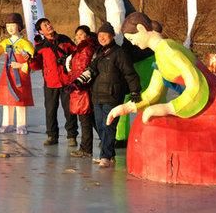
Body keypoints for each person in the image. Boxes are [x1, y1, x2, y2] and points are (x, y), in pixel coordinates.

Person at [106, 12, 216, 185]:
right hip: (207, 104)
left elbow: (197, 84)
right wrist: (127, 108)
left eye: (132, 38)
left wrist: (169, 108)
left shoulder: (168, 49)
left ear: (140, 28)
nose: (133, 43)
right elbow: (153, 92)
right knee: (146, 124)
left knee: (156, 131)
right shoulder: (160, 54)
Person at [67, 0, 154, 147]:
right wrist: (83, 50)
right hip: (119, 51)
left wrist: (108, 52)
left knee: (145, 94)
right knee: (119, 94)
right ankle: (119, 137)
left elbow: (117, 27)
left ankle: (148, 133)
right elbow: (87, 28)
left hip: (139, 51)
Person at [73, 22, 141, 168]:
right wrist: (78, 82)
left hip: (113, 95)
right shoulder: (98, 53)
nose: (102, 37)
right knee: (100, 126)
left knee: (108, 126)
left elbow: (130, 73)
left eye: (105, 34)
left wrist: (135, 90)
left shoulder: (119, 53)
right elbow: (90, 70)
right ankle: (109, 154)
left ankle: (105, 156)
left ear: (112, 36)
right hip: (97, 95)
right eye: (100, 35)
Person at [0, 13, 34, 135]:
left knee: (20, 100)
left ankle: (21, 124)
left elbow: (34, 62)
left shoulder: (26, 43)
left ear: (19, 26)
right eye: (8, 25)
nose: (10, 28)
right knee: (7, 100)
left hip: (21, 76)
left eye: (12, 25)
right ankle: (7, 123)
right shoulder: (4, 43)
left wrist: (21, 65)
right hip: (7, 76)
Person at [29, 18, 78, 146]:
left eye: (48, 23)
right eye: (45, 25)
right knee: (50, 110)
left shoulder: (64, 40)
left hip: (67, 81)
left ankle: (72, 136)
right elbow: (37, 65)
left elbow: (77, 55)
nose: (49, 26)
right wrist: (30, 60)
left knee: (69, 110)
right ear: (41, 31)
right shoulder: (40, 46)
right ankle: (52, 136)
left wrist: (68, 60)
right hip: (50, 82)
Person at [67, 25, 97, 158]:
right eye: (77, 34)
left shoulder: (86, 49)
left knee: (86, 119)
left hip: (82, 89)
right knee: (90, 120)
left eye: (81, 34)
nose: (78, 37)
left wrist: (78, 82)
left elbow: (84, 68)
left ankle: (86, 148)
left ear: (87, 36)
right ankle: (105, 143)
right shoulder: (79, 49)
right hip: (78, 88)